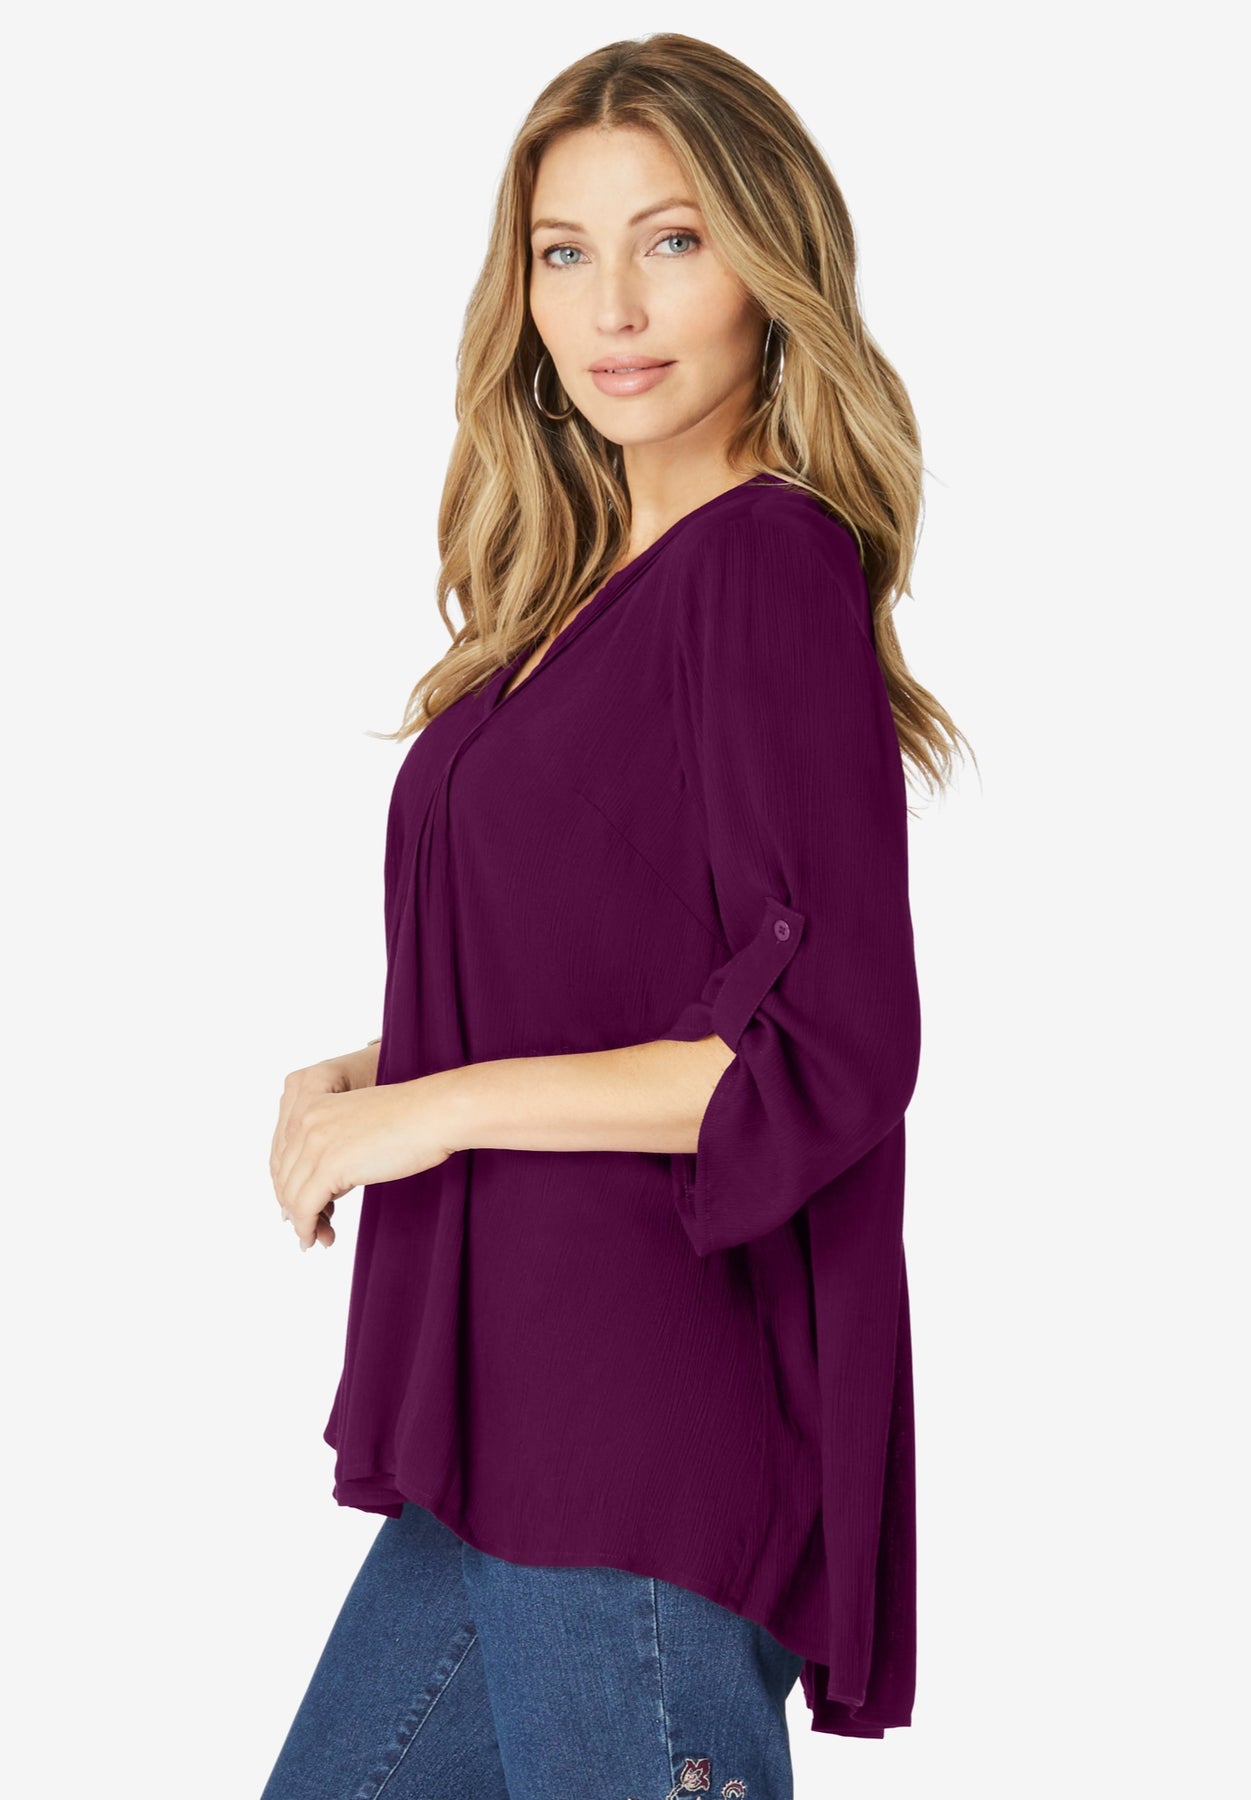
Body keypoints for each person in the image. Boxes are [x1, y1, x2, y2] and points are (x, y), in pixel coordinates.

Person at [262, 30, 969, 1800]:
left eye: (673, 240)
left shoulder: (767, 562)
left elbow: (826, 1050)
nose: (615, 308)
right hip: (514, 1425)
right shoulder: (578, 601)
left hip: (646, 1429)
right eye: (564, 252)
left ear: (769, 263)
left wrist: (433, 1113)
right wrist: (375, 1069)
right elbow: (627, 983)